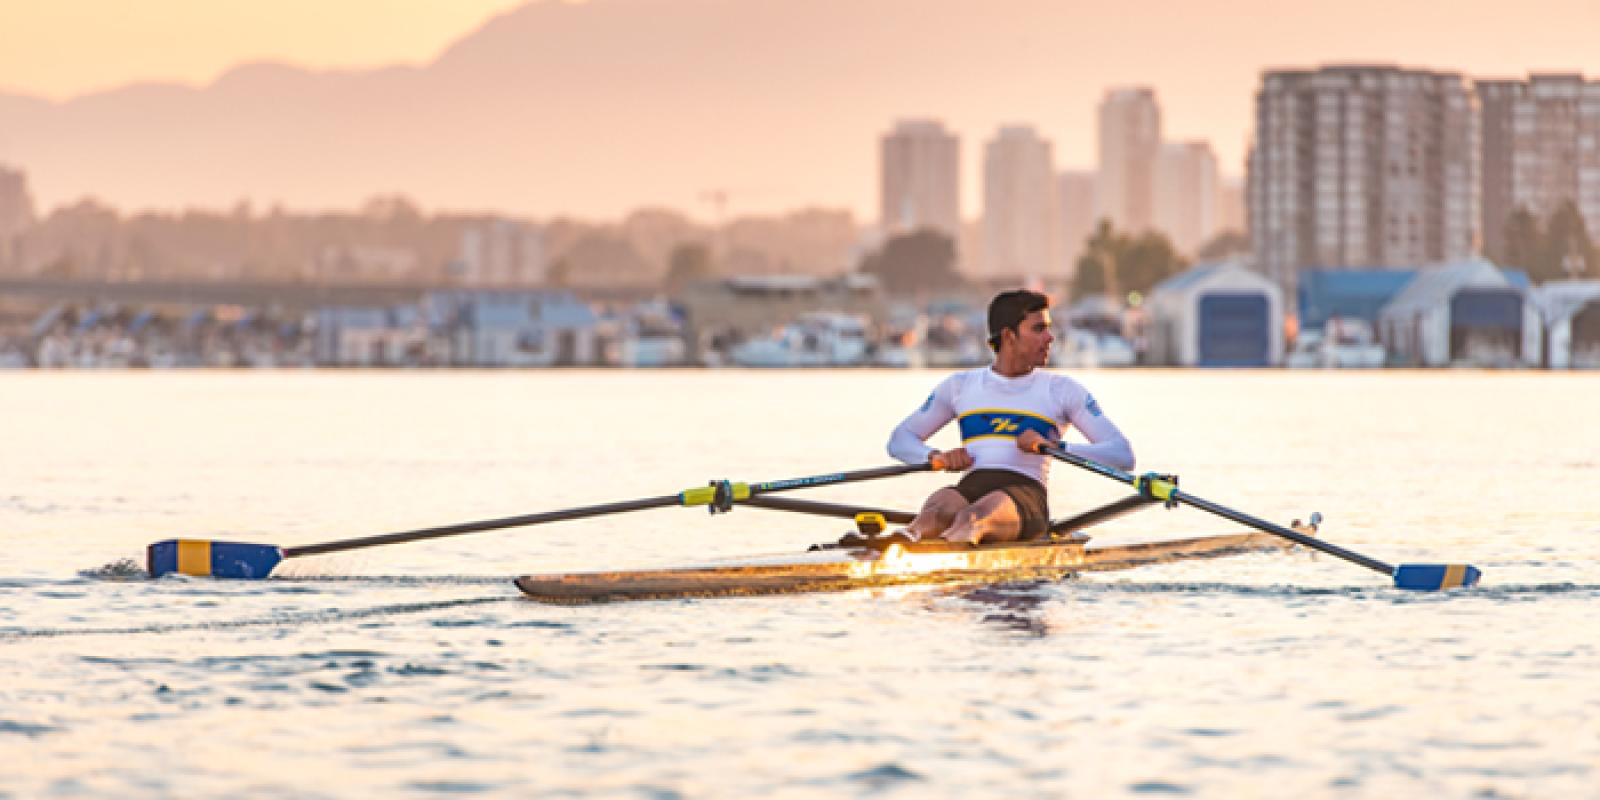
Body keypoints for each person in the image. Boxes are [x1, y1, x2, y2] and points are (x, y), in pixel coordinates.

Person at [884, 289, 1135, 545]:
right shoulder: (960, 386)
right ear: (1008, 336)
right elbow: (899, 440)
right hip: (972, 484)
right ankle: (900, 541)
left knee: (973, 518)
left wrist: (1054, 447)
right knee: (935, 510)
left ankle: (945, 552)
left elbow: (1122, 454)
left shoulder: (1062, 390)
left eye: (1048, 328)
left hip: (1026, 494)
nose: (1050, 338)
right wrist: (935, 457)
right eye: (1038, 329)